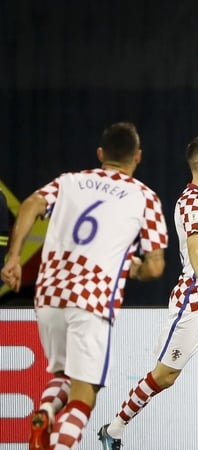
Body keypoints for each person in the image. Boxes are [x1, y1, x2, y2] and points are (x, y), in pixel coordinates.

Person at [0, 122, 168, 450]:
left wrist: (14, 257)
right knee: (85, 394)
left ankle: (46, 412)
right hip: (91, 299)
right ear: (138, 157)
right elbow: (156, 266)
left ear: (101, 154)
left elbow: (32, 204)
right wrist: (132, 268)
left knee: (63, 376)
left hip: (49, 295)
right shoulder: (145, 197)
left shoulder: (70, 181)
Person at [98, 137, 198, 450]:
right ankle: (113, 429)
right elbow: (194, 249)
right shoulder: (191, 201)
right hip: (196, 298)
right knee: (165, 376)